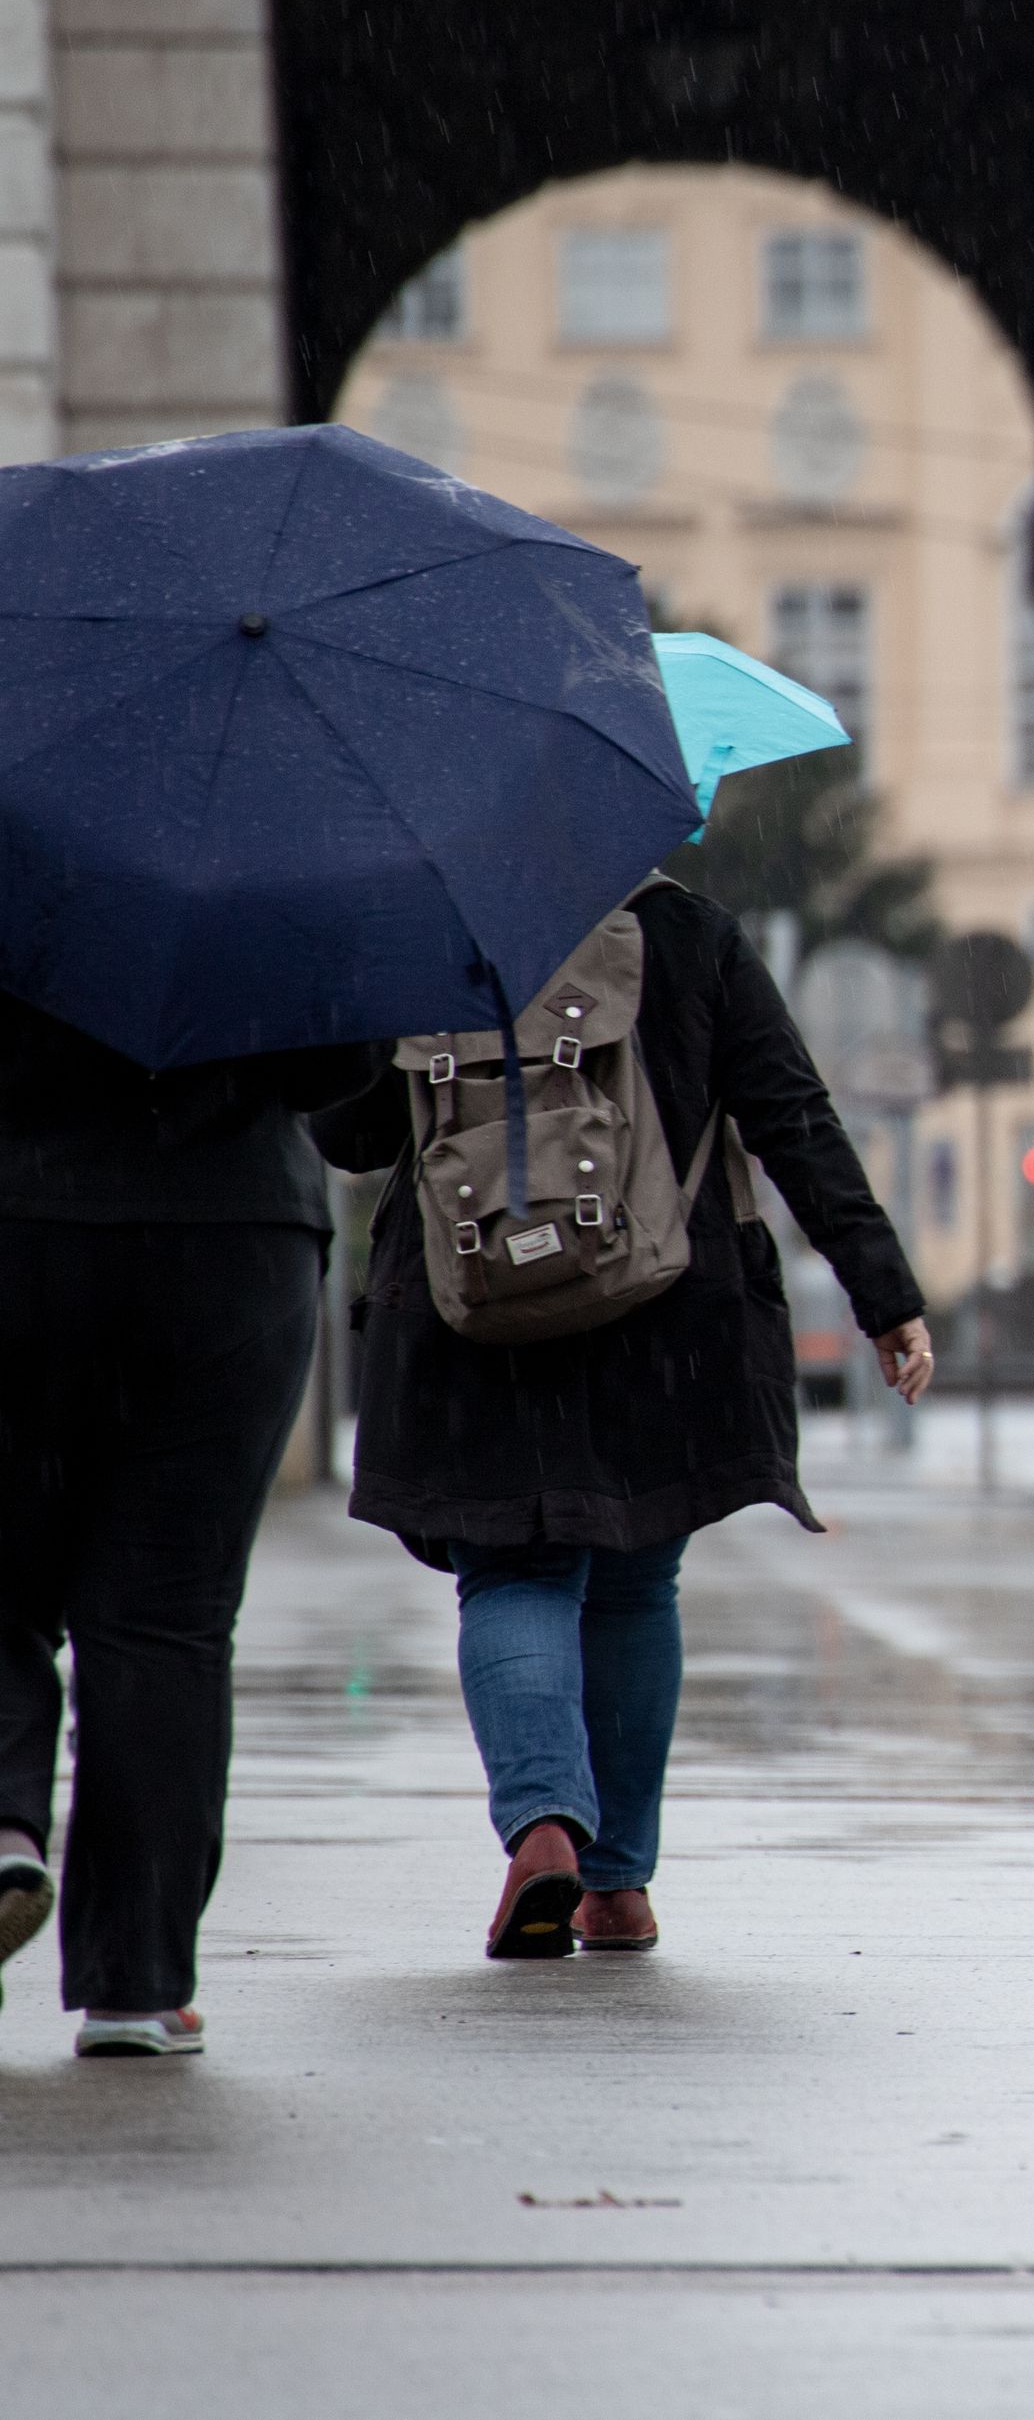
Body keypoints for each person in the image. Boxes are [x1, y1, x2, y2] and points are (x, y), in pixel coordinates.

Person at [313, 877, 929, 1960]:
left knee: (513, 1571)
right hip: (666, 1310)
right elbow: (792, 1114)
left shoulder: (418, 927)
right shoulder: (688, 935)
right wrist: (883, 1293)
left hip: (474, 1312)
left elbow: (355, 1136)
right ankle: (615, 1884)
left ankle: (544, 1825)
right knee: (639, 1579)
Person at [0, 997, 384, 2056]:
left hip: (16, 1224)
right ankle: (136, 1983)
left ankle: (1, 1826)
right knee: (161, 1621)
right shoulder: (276, 840)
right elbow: (338, 1061)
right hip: (229, 1238)